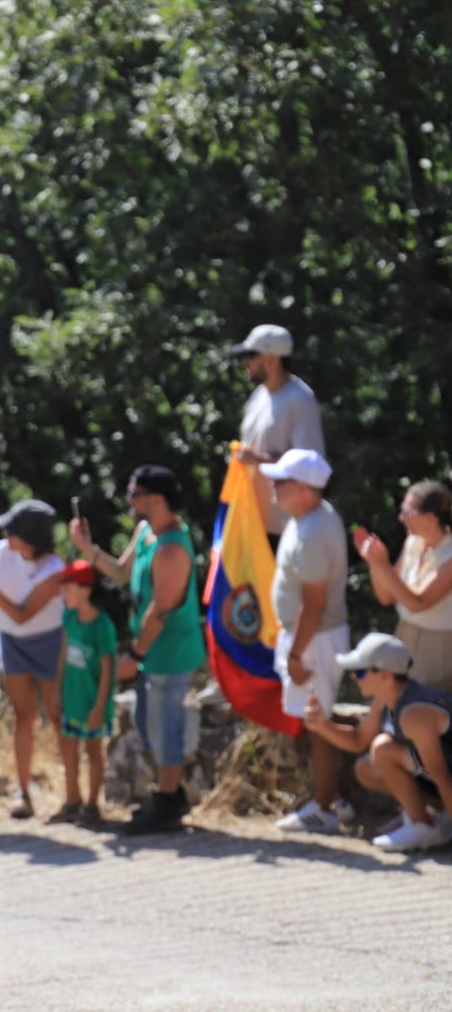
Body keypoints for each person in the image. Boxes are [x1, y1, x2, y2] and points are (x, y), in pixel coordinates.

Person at [72, 465, 208, 835]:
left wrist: (135, 655)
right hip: (152, 651)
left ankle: (167, 802)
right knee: (151, 726)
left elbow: (160, 609)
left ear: (157, 500)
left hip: (169, 652)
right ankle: (168, 795)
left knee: (165, 725)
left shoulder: (171, 550)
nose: (129, 500)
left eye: (135, 493)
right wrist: (89, 549)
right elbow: (120, 571)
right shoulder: (146, 532)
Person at [259, 449, 355, 834]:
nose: (272, 487)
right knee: (316, 721)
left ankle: (325, 807)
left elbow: (314, 606)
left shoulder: (314, 532)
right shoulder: (310, 518)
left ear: (302, 489)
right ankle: (332, 801)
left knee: (319, 723)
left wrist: (296, 654)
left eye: (279, 482)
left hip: (314, 640)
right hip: (309, 637)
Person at [301, 633, 452, 852]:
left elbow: (441, 775)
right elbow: (359, 740)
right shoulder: (386, 697)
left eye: (360, 671)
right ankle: (428, 818)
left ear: (385, 676)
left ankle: (424, 827)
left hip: (445, 775)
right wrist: (321, 725)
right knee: (366, 768)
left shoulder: (414, 713)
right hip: (441, 774)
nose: (354, 677)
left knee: (383, 749)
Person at [0, 498, 64, 820]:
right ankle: (23, 793)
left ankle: (71, 793)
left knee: (57, 713)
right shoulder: (1, 552)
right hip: (10, 639)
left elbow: (22, 614)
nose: (6, 533)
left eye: (14, 529)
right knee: (22, 716)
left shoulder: (54, 570)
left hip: (49, 640)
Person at [354, 480, 452, 691]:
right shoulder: (413, 543)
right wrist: (375, 563)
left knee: (423, 710)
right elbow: (387, 597)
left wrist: (383, 565)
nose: (401, 518)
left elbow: (418, 603)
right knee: (395, 704)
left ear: (430, 518)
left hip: (438, 646)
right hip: (405, 635)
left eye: (407, 512)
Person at [229, 324, 325, 539]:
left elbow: (310, 464)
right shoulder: (258, 396)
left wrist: (259, 460)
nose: (246, 363)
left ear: (271, 360)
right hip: (252, 523)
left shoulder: (300, 400)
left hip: (283, 528)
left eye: (251, 356)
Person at [49, 561, 116, 826]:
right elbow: (63, 654)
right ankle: (72, 801)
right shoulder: (69, 618)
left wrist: (99, 707)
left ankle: (92, 805)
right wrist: (56, 692)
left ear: (86, 590)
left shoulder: (103, 627)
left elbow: (108, 670)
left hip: (92, 703)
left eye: (67, 589)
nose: (62, 595)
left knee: (93, 750)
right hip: (72, 700)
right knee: (68, 749)